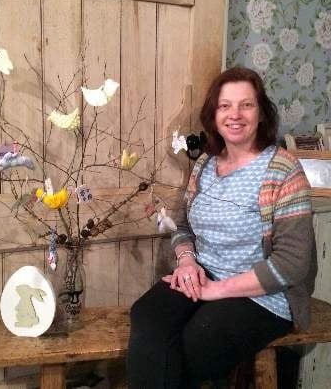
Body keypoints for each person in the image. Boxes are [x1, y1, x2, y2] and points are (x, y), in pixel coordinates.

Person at [127, 67, 317, 388]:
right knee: (147, 316)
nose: (235, 114)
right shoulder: (205, 163)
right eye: (225, 105)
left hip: (263, 296)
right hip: (202, 276)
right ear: (213, 115)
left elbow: (292, 263)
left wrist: (216, 291)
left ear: (261, 113)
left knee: (190, 347)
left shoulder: (284, 170)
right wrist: (187, 262)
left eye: (247, 105)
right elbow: (183, 226)